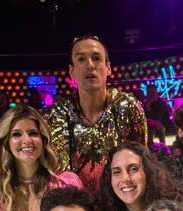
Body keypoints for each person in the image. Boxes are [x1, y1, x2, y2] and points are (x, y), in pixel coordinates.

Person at [45, 35, 147, 192]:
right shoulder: (55, 116)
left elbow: (140, 166)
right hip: (73, 207)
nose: (90, 65)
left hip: (122, 201)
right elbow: (52, 175)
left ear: (108, 68)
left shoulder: (127, 107)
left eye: (96, 58)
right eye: (81, 59)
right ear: (71, 71)